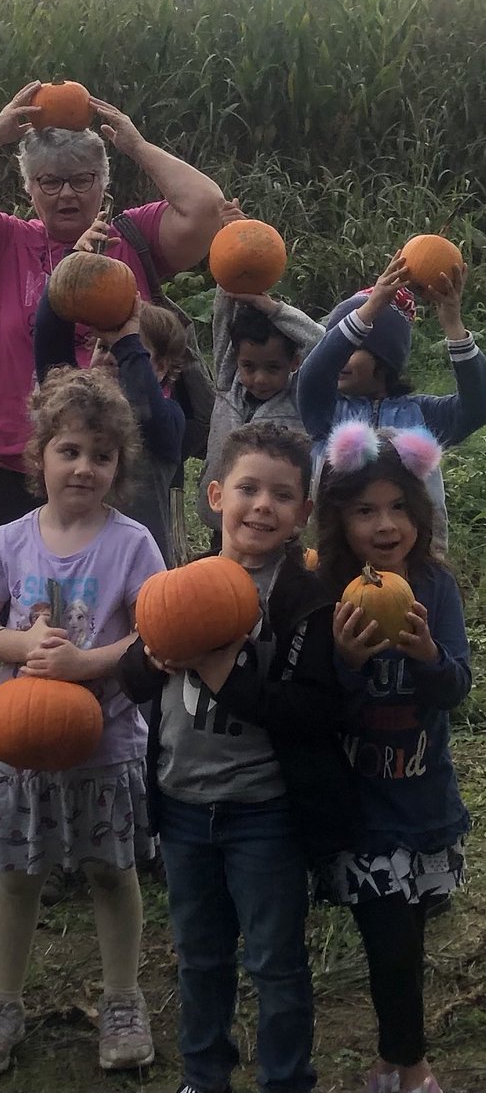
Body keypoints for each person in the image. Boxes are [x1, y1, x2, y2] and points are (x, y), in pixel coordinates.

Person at [118, 422, 356, 1093]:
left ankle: (286, 1079)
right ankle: (204, 1076)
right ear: (216, 494)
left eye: (282, 495)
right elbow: (133, 681)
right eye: (248, 489)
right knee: (199, 954)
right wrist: (152, 658)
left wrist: (226, 676)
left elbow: (314, 711)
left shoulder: (305, 600)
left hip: (265, 811)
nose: (262, 506)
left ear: (303, 513)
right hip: (183, 804)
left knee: (276, 959)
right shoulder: (179, 583)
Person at [0, 366, 164, 1077]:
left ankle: (123, 997)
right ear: (38, 456)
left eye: (101, 455)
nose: (84, 467)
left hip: (107, 743)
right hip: (22, 747)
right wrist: (15, 646)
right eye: (69, 450)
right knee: (18, 875)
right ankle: (1, 1002)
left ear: (118, 466)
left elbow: (155, 635)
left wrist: (85, 663)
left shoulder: (132, 544)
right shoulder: (14, 540)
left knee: (112, 871)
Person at [0, 80, 223, 542]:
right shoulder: (5, 242)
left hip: (118, 462)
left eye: (82, 180)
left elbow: (206, 206)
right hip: (23, 461)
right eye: (50, 182)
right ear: (29, 188)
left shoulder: (132, 236)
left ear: (103, 183)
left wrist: (136, 146)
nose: (67, 194)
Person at [313, 422, 469, 1093]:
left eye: (399, 507)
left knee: (409, 937)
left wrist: (428, 656)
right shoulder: (326, 593)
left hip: (425, 801)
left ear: (419, 511)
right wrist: (347, 664)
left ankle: (390, 1062)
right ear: (338, 519)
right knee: (388, 939)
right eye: (365, 511)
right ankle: (414, 1067)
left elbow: (457, 688)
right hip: (364, 811)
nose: (385, 525)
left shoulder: (435, 588)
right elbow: (318, 712)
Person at [297, 250, 486, 551]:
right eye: (338, 346)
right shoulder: (326, 411)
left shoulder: (422, 415)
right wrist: (370, 308)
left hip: (414, 562)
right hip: (337, 563)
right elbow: (313, 375)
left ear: (385, 360)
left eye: (352, 348)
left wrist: (453, 325)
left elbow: (478, 404)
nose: (339, 358)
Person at [36, 287, 185, 565]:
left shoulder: (168, 420)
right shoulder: (73, 408)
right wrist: (66, 281)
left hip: (135, 567)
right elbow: (51, 347)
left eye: (128, 351)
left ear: (160, 368)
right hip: (70, 560)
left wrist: (127, 342)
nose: (109, 357)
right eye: (103, 347)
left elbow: (144, 408)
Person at [198, 277, 323, 540]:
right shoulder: (228, 384)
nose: (260, 379)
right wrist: (231, 278)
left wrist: (274, 309)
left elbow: (323, 343)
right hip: (222, 525)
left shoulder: (300, 398)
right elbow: (223, 315)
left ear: (295, 362)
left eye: (273, 367)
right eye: (249, 366)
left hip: (275, 527)